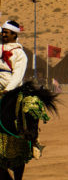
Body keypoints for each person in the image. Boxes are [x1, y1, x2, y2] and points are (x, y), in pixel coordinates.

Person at [0, 20, 38, 156]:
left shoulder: (20, 54)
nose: (3, 34)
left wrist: (8, 90)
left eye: (6, 32)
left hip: (12, 89)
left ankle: (33, 141)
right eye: (2, 32)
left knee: (30, 109)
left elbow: (18, 74)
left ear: (14, 34)